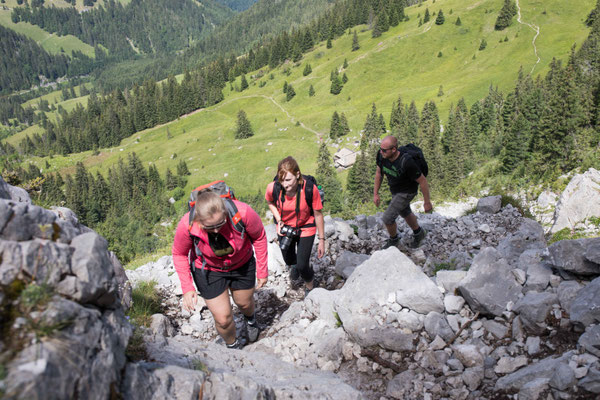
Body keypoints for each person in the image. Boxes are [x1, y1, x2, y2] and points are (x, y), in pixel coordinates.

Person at [172, 190, 268, 349]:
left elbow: (259, 237)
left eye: (220, 224)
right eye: (209, 227)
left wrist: (262, 270)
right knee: (223, 319)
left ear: (225, 213)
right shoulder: (187, 224)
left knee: (244, 303)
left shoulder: (242, 213)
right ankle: (233, 345)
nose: (216, 230)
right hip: (209, 270)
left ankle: (250, 319)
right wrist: (187, 288)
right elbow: (179, 253)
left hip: (242, 264)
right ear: (199, 220)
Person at [265, 156, 325, 295]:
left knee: (302, 264)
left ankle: (310, 285)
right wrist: (279, 219)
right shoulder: (274, 188)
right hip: (285, 227)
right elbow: (269, 202)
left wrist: (322, 240)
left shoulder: (310, 189)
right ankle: (294, 265)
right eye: (281, 180)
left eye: (288, 180)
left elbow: (318, 214)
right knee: (288, 259)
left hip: (306, 226)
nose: (285, 184)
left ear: (297, 175)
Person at [373, 135, 433, 249]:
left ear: (394, 149)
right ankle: (419, 233)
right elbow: (379, 173)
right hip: (395, 189)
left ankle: (394, 240)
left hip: (407, 191)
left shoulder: (407, 162)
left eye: (384, 150)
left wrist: (427, 202)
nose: (381, 152)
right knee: (404, 211)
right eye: (380, 149)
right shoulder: (382, 157)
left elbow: (423, 181)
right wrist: (376, 193)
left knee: (388, 218)